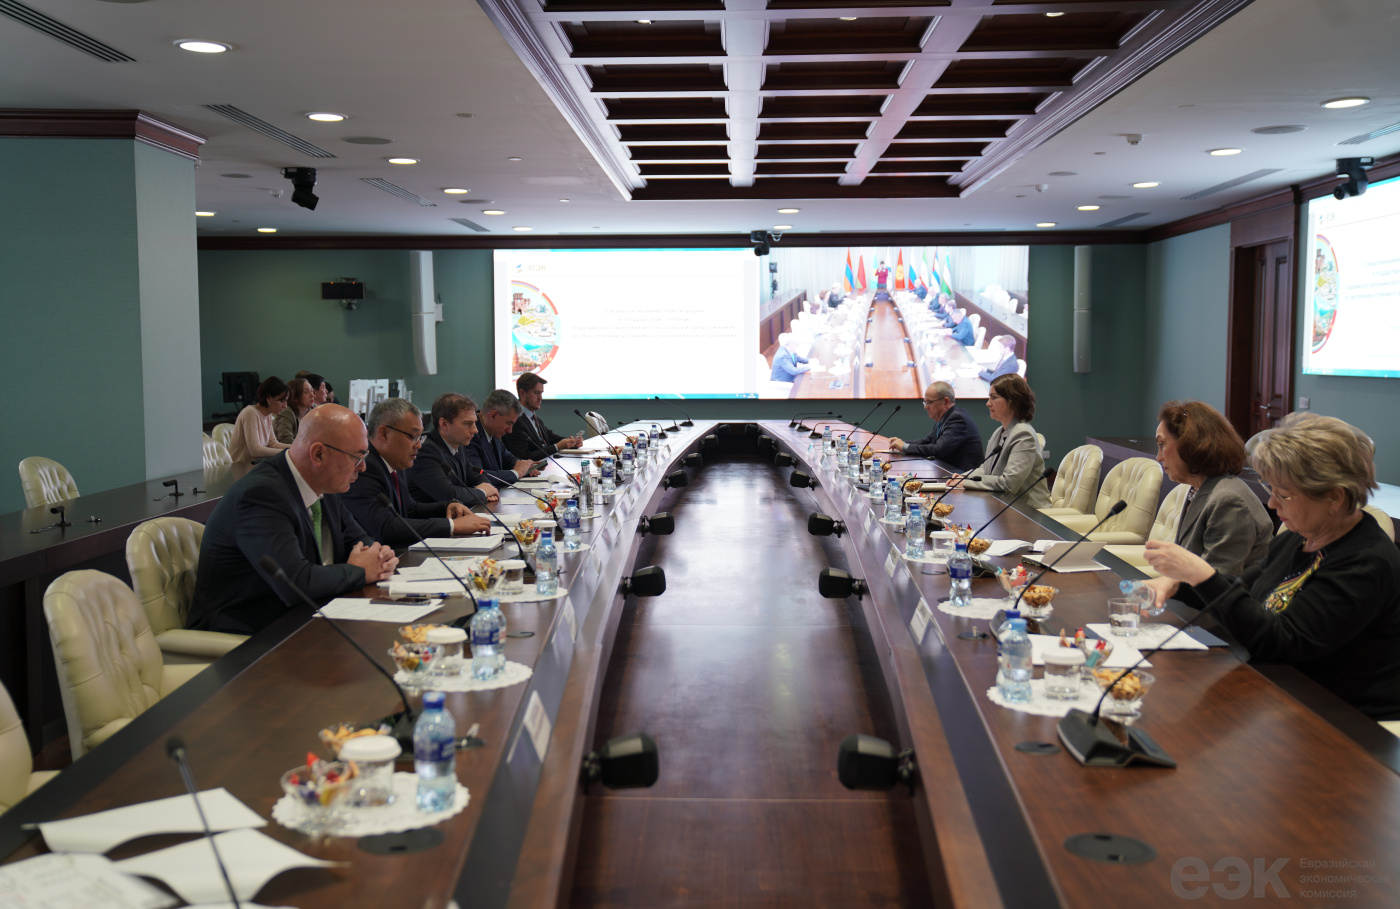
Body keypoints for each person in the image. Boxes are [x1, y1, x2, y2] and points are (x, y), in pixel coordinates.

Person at [1144, 413, 1400, 720]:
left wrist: (1200, 574)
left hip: (1346, 720)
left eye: (1283, 494)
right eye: (1271, 491)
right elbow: (1244, 596)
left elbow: (1280, 641)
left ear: (1334, 496)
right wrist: (1180, 584)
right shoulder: (1296, 539)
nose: (1273, 505)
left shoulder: (1365, 562)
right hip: (1282, 693)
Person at [188, 405, 398, 636]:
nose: (363, 467)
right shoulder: (261, 495)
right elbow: (295, 582)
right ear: (318, 454)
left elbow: (359, 538)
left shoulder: (323, 484)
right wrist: (359, 571)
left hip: (307, 615)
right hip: (247, 635)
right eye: (357, 457)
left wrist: (378, 557)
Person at [342, 398, 491, 547]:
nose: (419, 445)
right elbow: (386, 528)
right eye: (413, 437)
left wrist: (447, 506)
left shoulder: (395, 462)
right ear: (384, 433)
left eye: (420, 437)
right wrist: (452, 526)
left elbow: (409, 509)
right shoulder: (364, 468)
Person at [1154, 400, 1273, 576]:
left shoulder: (1229, 501)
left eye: (1162, 444)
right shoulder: (1200, 488)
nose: (1158, 457)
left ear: (1189, 444)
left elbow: (1217, 582)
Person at [951, 374, 1050, 510]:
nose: (988, 403)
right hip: (1003, 506)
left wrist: (965, 483)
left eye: (994, 397)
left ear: (1013, 400)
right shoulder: (999, 432)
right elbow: (985, 469)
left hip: (1029, 512)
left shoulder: (1023, 434)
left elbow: (1009, 484)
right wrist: (962, 478)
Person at [410, 392, 500, 506]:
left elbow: (477, 476)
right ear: (444, 424)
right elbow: (449, 495)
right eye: (468, 423)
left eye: (474, 423)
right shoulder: (426, 451)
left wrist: (487, 488)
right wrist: (483, 492)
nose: (475, 430)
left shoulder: (459, 446)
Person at [888, 381, 984, 471]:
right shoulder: (946, 417)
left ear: (945, 402)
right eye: (925, 402)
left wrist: (905, 447)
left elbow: (938, 450)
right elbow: (927, 441)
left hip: (963, 476)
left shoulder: (958, 419)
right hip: (949, 472)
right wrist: (900, 443)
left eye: (929, 402)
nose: (925, 407)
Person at [506, 372, 583, 461]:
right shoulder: (515, 422)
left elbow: (552, 438)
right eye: (536, 393)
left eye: (541, 393)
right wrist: (557, 447)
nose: (540, 398)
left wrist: (572, 442)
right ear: (522, 393)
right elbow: (524, 458)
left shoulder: (536, 420)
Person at [469, 389, 538, 486]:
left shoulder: (492, 430)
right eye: (508, 423)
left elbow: (507, 459)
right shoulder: (470, 435)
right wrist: (516, 473)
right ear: (493, 415)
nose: (510, 430)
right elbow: (477, 475)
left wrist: (525, 466)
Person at [227, 376, 292, 464]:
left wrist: (295, 448)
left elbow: (273, 443)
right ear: (268, 398)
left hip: (254, 465)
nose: (285, 406)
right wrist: (288, 452)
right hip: (240, 466)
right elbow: (255, 450)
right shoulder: (250, 413)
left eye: (286, 401)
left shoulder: (268, 415)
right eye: (282, 401)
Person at [274, 377, 314, 444]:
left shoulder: (312, 412)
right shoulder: (287, 412)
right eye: (306, 392)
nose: (312, 395)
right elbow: (286, 440)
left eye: (312, 391)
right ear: (295, 398)